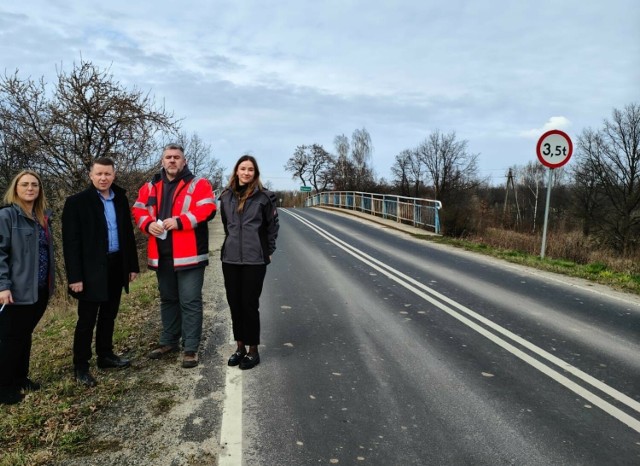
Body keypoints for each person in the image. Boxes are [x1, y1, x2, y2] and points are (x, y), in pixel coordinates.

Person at [132, 143, 216, 369]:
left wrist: (180, 221)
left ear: (184, 161)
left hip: (189, 256)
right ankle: (169, 341)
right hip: (161, 255)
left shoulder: (199, 184)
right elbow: (138, 209)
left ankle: (190, 348)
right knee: (168, 300)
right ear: (162, 161)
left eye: (176, 157)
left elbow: (207, 209)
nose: (172, 160)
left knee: (190, 301)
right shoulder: (151, 185)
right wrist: (148, 225)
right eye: (168, 157)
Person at [62, 157, 140, 387]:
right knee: (87, 320)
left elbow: (127, 234)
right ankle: (81, 366)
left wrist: (132, 266)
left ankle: (105, 355)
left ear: (114, 175)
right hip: (89, 271)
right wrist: (74, 277)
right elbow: (71, 243)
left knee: (109, 315)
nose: (103, 178)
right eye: (99, 174)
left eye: (107, 174)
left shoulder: (120, 198)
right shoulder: (77, 202)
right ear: (91, 175)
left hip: (116, 265)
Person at [0, 170, 55, 405]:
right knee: (11, 338)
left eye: (34, 184)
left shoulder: (42, 217)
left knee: (24, 335)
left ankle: (21, 377)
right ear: (16, 189)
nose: (30, 188)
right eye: (25, 185)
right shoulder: (7, 216)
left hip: (40, 288)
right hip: (15, 290)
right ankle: (4, 387)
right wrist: (3, 286)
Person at [219, 155, 279, 370]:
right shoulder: (225, 197)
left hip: (255, 260)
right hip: (230, 259)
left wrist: (268, 250)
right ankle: (240, 347)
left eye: (250, 170)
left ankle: (253, 350)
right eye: (243, 168)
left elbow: (272, 227)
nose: (246, 172)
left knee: (249, 305)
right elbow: (227, 226)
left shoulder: (265, 198)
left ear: (255, 173)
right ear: (236, 171)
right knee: (235, 304)